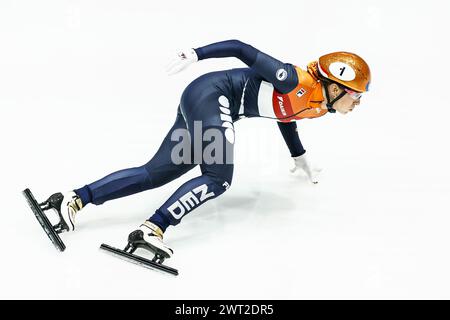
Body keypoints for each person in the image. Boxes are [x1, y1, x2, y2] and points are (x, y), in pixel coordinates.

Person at [43, 39, 371, 260]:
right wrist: (196, 53)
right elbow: (241, 49)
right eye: (354, 95)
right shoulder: (295, 80)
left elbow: (285, 117)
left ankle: (72, 199)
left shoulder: (318, 106)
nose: (357, 103)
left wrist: (299, 157)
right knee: (218, 177)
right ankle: (152, 229)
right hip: (212, 98)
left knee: (157, 173)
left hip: (202, 100)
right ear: (334, 86)